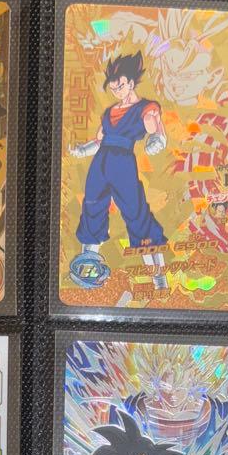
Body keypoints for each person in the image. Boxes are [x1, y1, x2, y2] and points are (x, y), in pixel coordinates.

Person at [67, 52, 169, 290]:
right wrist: (82, 150)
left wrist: (157, 141)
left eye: (120, 86)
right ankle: (87, 275)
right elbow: (99, 140)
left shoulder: (146, 108)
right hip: (100, 164)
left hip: (123, 164)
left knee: (137, 215)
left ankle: (159, 279)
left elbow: (156, 130)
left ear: (131, 83)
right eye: (113, 88)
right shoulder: (109, 112)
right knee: (92, 209)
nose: (117, 92)